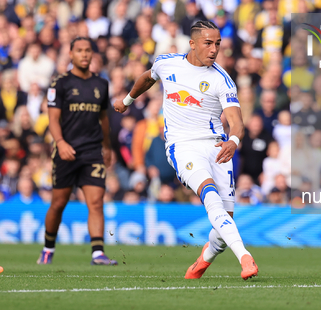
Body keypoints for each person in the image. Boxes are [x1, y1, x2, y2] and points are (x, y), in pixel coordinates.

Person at [113, 20, 258, 280]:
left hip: (217, 147)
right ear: (192, 44)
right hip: (182, 147)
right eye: (208, 43)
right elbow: (147, 78)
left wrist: (233, 141)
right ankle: (246, 258)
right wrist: (127, 101)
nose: (214, 50)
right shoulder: (167, 63)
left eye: (218, 44)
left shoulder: (222, 79)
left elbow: (236, 121)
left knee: (225, 223)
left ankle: (202, 262)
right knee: (210, 195)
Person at [37, 37, 115, 265]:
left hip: (92, 152)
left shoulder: (102, 84)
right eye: (79, 51)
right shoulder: (59, 83)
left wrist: (107, 146)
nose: (84, 55)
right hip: (65, 152)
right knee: (58, 203)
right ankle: (48, 248)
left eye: (88, 51)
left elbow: (104, 118)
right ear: (70, 54)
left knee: (96, 202)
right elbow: (52, 119)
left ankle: (98, 253)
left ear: (92, 55)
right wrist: (60, 143)